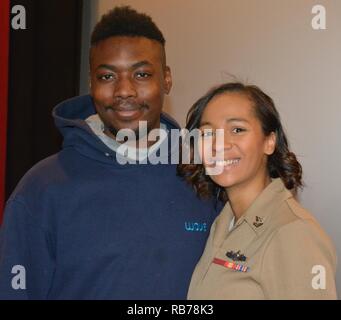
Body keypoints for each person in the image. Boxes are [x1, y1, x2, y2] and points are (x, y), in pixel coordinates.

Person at [0, 6, 219, 299]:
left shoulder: (204, 175)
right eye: (107, 77)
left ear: (166, 79)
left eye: (141, 74)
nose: (124, 90)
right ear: (91, 83)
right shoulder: (42, 188)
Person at [178, 82, 337, 299]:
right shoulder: (222, 223)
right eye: (207, 133)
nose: (219, 144)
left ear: (269, 142)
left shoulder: (293, 232)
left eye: (237, 130)